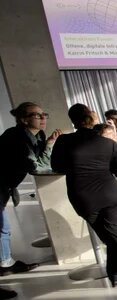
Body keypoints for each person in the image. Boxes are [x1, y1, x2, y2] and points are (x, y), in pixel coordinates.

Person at [51, 104, 117, 287]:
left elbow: (57, 167)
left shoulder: (63, 141)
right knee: (113, 236)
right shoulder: (108, 143)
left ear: (72, 120)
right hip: (110, 194)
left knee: (110, 236)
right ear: (93, 119)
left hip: (83, 197)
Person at [0, 102, 59, 281]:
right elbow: (37, 166)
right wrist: (49, 146)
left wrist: (48, 143)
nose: (43, 119)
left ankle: (5, 262)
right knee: (3, 227)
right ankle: (5, 264)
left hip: (5, 184)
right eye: (37, 115)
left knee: (3, 227)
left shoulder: (38, 135)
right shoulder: (15, 137)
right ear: (24, 120)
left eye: (44, 114)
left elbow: (43, 163)